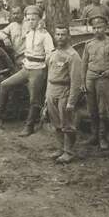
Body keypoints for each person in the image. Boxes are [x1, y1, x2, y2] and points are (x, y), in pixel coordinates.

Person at [0, 6, 54, 135]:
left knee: (34, 99)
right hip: (25, 68)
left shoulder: (45, 35)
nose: (30, 22)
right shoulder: (28, 32)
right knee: (4, 84)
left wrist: (44, 69)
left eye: (33, 19)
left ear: (39, 19)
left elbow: (50, 54)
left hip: (37, 71)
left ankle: (29, 126)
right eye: (28, 19)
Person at [81, 15, 109, 150]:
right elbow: (83, 65)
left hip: (104, 79)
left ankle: (103, 137)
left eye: (99, 27)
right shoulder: (89, 44)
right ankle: (94, 136)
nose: (97, 30)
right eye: (94, 28)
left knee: (103, 110)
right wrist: (83, 82)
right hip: (90, 78)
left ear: (105, 27)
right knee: (92, 109)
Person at [45, 25, 83, 164]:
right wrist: (47, 96)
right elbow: (49, 75)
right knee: (56, 123)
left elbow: (76, 81)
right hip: (52, 91)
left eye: (63, 35)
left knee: (67, 124)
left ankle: (69, 152)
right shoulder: (53, 53)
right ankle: (60, 148)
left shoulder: (73, 56)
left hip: (64, 92)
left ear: (68, 37)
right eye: (58, 34)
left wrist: (71, 101)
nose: (60, 37)